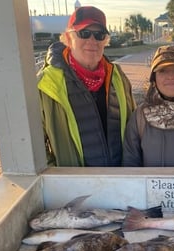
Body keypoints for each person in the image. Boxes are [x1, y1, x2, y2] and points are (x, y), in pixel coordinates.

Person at [37, 6, 135, 167]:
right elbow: (35, 145)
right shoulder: (46, 84)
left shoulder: (117, 76)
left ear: (105, 41)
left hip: (119, 182)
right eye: (84, 33)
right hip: (75, 188)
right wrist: (58, 176)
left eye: (99, 35)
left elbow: (133, 127)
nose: (92, 41)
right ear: (68, 39)